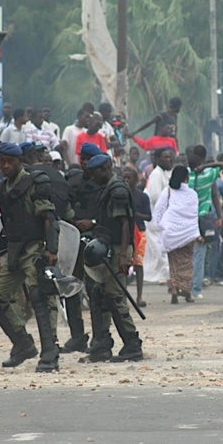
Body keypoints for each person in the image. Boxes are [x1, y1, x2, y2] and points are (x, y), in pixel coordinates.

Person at [0, 142, 61, 372]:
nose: (7, 166)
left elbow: (49, 217)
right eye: (3, 162)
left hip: (36, 246)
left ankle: (50, 352)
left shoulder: (35, 182)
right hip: (14, 247)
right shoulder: (2, 186)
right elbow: (8, 220)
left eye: (11, 161)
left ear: (20, 161)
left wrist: (51, 249)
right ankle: (22, 344)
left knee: (40, 295)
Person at [83, 154, 144, 362]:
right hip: (108, 248)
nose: (93, 178)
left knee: (116, 297)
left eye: (95, 173)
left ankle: (132, 344)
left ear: (107, 168)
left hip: (118, 249)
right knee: (100, 295)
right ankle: (102, 344)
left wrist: (124, 256)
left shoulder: (117, 189)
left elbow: (125, 223)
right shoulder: (108, 188)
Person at [61, 142, 105, 353]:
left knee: (95, 291)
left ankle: (99, 338)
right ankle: (77, 335)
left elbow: (109, 215)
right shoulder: (73, 180)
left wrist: (93, 222)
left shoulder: (105, 183)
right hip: (73, 242)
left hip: (95, 244)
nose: (85, 163)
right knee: (70, 288)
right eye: (83, 159)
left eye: (89, 159)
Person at [152, 166, 200, 304]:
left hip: (171, 233)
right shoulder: (192, 194)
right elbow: (193, 215)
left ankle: (174, 289)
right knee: (187, 263)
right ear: (187, 178)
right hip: (189, 234)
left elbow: (158, 211)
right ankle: (187, 293)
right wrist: (196, 232)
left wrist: (159, 226)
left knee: (173, 264)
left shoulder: (167, 192)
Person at [188, 152, 223, 299]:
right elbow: (222, 165)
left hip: (188, 219)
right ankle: (196, 289)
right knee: (199, 255)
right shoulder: (207, 177)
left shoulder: (188, 179)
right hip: (203, 218)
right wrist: (206, 166)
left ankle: (184, 286)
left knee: (187, 255)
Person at [143, 148, 174, 284]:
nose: (168, 160)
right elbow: (156, 196)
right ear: (156, 159)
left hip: (162, 216)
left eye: (169, 157)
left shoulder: (164, 174)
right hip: (157, 217)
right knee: (157, 246)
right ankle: (161, 274)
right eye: (164, 157)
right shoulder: (156, 174)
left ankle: (163, 273)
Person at [123, 167, 150, 307]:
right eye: (124, 178)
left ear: (136, 180)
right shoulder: (119, 195)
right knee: (124, 264)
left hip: (139, 232)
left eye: (129, 178)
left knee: (138, 264)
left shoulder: (141, 196)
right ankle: (124, 297)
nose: (126, 180)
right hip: (124, 232)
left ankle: (139, 297)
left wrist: (135, 214)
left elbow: (149, 216)